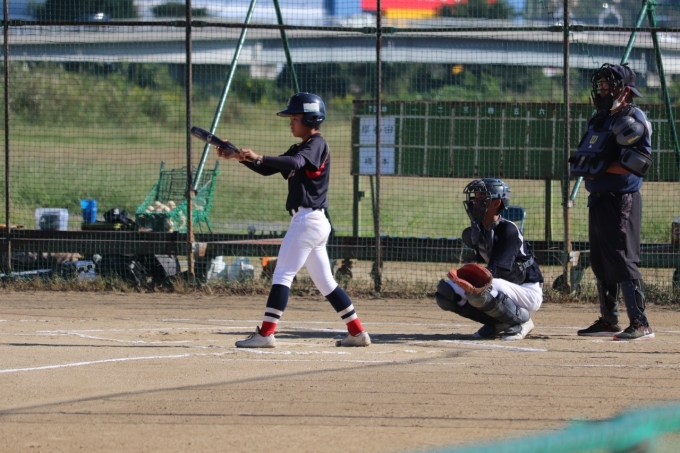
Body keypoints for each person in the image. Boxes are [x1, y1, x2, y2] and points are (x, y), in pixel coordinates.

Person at [216, 92, 371, 348]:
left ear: (311, 119)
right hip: (312, 222)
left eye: (295, 118)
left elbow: (296, 162)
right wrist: (238, 156)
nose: (290, 122)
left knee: (283, 274)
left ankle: (266, 334)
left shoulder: (317, 144)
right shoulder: (300, 148)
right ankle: (357, 332)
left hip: (308, 220)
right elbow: (270, 168)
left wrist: (259, 156)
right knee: (326, 283)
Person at [572, 63, 654, 340]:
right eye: (600, 85)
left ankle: (640, 323)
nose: (602, 90)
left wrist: (600, 168)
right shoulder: (600, 119)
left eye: (608, 86)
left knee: (622, 259)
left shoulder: (632, 118)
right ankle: (609, 320)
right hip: (598, 199)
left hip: (622, 200)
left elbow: (639, 163)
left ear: (625, 90)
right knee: (600, 261)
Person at [434, 178, 544, 341]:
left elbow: (496, 271)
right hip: (504, 287)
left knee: (479, 289)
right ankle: (498, 322)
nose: (475, 202)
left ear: (496, 203)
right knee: (446, 292)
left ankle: (522, 321)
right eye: (475, 197)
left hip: (527, 290)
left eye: (481, 198)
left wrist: (471, 280)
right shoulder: (480, 230)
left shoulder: (508, 230)